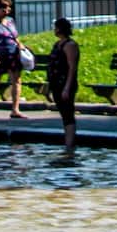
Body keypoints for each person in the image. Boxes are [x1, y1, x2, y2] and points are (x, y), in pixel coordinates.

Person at [0, 0, 27, 119]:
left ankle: (15, 109)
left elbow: (15, 36)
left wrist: (19, 44)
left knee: (16, 80)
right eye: (3, 8)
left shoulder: (10, 21)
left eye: (8, 8)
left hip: (13, 53)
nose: (6, 11)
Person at [45, 18, 81, 152]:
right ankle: (68, 143)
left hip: (65, 84)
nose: (54, 30)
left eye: (56, 27)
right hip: (56, 83)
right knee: (63, 114)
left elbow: (72, 68)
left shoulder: (70, 45)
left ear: (61, 29)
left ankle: (70, 145)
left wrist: (67, 87)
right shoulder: (57, 44)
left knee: (68, 113)